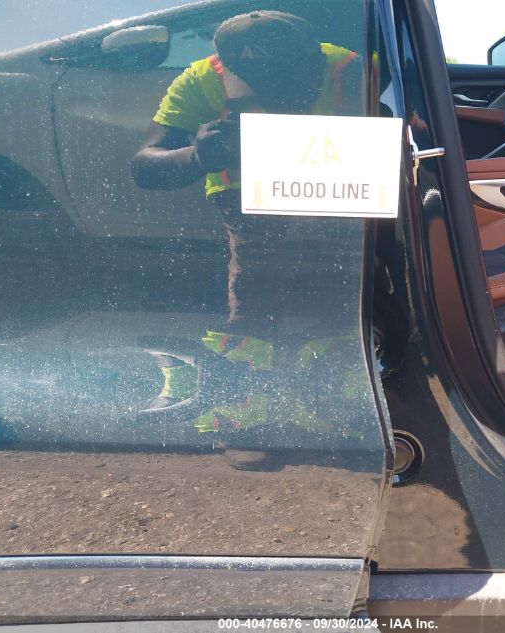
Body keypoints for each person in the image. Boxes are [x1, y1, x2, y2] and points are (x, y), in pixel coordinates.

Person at [132, 11, 365, 437]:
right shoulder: (204, 78)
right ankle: (243, 416)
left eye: (289, 84)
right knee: (257, 300)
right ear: (231, 70)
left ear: (315, 59)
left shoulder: (349, 68)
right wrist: (197, 156)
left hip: (340, 200)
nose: (276, 98)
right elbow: (145, 166)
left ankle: (337, 410)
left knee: (341, 297)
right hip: (250, 205)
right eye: (260, 87)